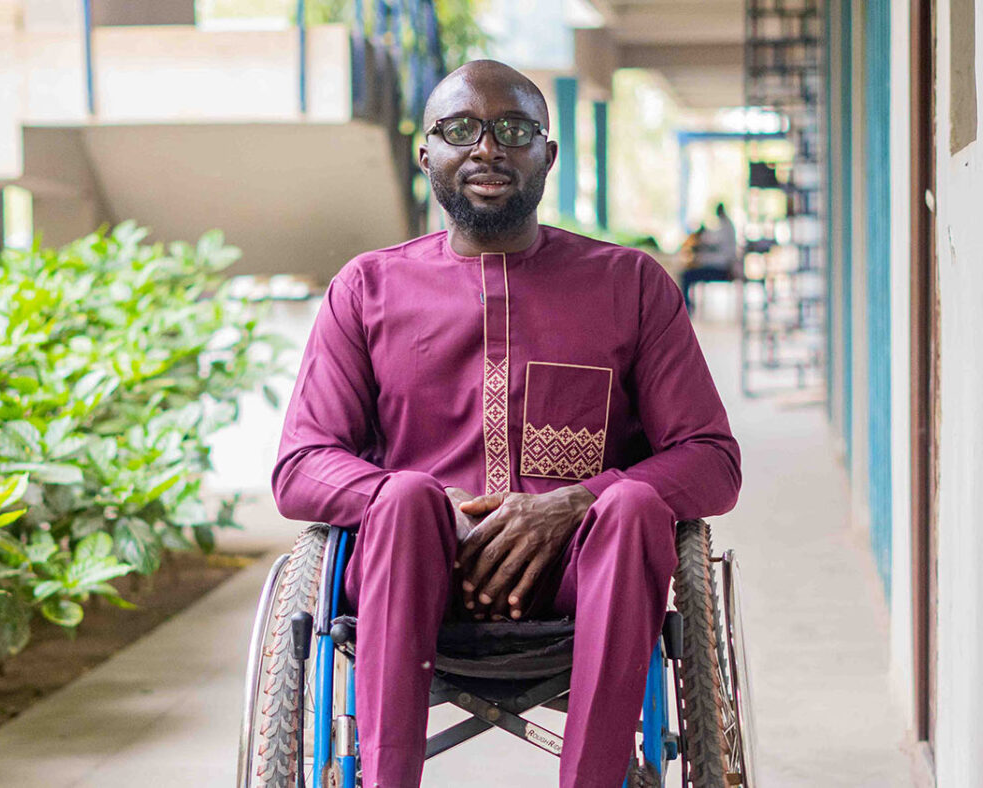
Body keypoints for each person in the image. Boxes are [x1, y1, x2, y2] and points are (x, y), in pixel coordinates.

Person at [271, 60, 743, 788]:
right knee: (399, 499)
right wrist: (434, 504)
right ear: (426, 152)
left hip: (578, 580)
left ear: (547, 155)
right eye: (460, 129)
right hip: (409, 572)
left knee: (634, 506)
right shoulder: (366, 289)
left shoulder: (630, 285)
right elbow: (301, 465)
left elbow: (711, 459)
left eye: (514, 130)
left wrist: (572, 503)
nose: (487, 148)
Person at [678, 202, 740, 315]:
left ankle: (686, 307)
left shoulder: (726, 227)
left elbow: (714, 242)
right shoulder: (726, 225)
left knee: (687, 275)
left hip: (722, 269)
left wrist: (702, 240)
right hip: (721, 265)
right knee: (689, 272)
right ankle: (687, 305)